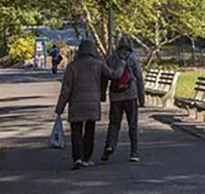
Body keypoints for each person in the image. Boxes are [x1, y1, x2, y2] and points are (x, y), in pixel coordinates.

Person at [54, 39, 123, 170]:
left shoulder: (72, 67)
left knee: (76, 131)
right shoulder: (98, 64)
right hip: (93, 103)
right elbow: (113, 75)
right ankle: (86, 158)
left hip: (76, 104)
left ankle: (77, 158)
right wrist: (121, 64)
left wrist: (60, 108)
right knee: (90, 130)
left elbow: (66, 90)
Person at [101, 34, 145, 163]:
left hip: (115, 96)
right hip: (131, 95)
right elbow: (139, 79)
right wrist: (141, 97)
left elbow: (104, 77)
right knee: (132, 125)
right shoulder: (133, 59)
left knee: (114, 124)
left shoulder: (111, 59)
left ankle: (110, 145)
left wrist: (102, 93)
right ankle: (134, 152)